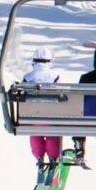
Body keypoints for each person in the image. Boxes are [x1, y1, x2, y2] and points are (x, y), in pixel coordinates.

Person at [22, 48, 61, 176]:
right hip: (50, 115)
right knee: (52, 134)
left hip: (32, 117)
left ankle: (39, 157)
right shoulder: (54, 76)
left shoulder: (28, 77)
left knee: (35, 133)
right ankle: (52, 157)